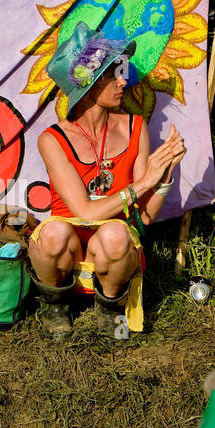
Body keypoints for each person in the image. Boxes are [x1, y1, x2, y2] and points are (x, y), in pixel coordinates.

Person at [28, 22, 186, 338]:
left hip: (113, 250)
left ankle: (110, 306)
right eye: (113, 74)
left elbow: (144, 217)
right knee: (52, 232)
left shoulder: (135, 126)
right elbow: (84, 213)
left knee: (116, 233)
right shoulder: (52, 138)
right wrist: (144, 183)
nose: (123, 81)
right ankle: (54, 305)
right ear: (89, 84)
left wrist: (165, 176)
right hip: (68, 250)